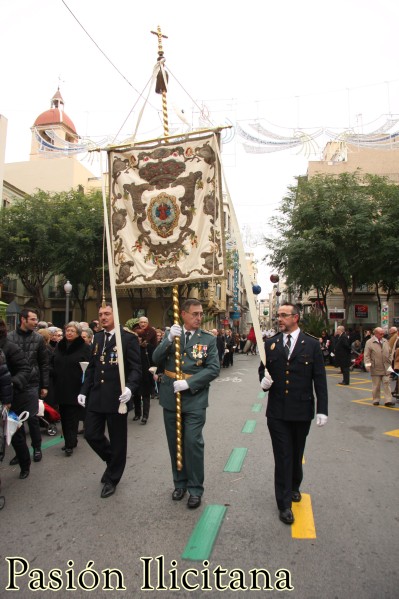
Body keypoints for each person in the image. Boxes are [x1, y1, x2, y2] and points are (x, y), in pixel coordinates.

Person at [259, 303, 328, 525]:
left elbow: (319, 378)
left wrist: (322, 410)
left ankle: (295, 485)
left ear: (295, 317)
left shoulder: (311, 344)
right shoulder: (270, 344)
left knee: (297, 453)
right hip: (277, 412)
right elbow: (263, 370)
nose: (279, 319)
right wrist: (263, 382)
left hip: (301, 409)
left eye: (283, 315)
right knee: (283, 456)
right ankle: (284, 503)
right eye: (278, 315)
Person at [152, 299, 220, 509]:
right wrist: (168, 339)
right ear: (183, 314)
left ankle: (195, 488)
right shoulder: (172, 334)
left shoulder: (207, 339)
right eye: (195, 314)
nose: (199, 318)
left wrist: (189, 383)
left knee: (192, 443)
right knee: (175, 443)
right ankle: (179, 483)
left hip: (195, 398)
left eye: (201, 314)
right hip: (170, 397)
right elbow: (155, 359)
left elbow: (213, 369)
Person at [78, 303, 142, 498]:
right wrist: (83, 390)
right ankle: (111, 461)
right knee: (91, 434)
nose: (103, 317)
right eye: (100, 314)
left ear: (116, 314)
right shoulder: (97, 338)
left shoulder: (128, 339)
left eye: (107, 313)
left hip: (117, 397)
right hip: (97, 396)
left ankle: (113, 478)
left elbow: (136, 368)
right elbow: (92, 368)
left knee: (118, 440)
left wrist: (130, 388)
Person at [7, 309, 49, 463]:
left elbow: (44, 363)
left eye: (36, 319)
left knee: (32, 417)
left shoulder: (38, 339)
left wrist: (44, 385)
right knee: (16, 420)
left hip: (32, 383)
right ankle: (20, 452)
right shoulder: (10, 337)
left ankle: (37, 447)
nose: (35, 322)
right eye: (32, 319)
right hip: (15, 383)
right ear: (23, 320)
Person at [0, 319, 33, 479]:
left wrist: (10, 383)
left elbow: (25, 369)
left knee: (15, 435)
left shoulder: (10, 347)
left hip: (12, 398)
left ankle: (25, 463)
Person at [53, 322, 91, 456]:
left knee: (72, 416)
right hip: (61, 386)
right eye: (67, 330)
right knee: (63, 415)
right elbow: (53, 361)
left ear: (78, 333)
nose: (69, 333)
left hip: (76, 386)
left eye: (72, 331)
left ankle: (70, 443)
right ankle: (70, 440)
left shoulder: (84, 347)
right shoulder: (60, 345)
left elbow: (89, 367)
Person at [363, 327, 394, 407]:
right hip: (375, 366)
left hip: (386, 366)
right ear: (376, 333)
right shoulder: (369, 342)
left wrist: (390, 360)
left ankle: (388, 400)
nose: (382, 335)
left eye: (383, 333)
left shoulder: (385, 341)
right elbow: (366, 355)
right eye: (381, 333)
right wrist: (368, 365)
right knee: (376, 385)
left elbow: (390, 352)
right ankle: (376, 399)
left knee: (387, 383)